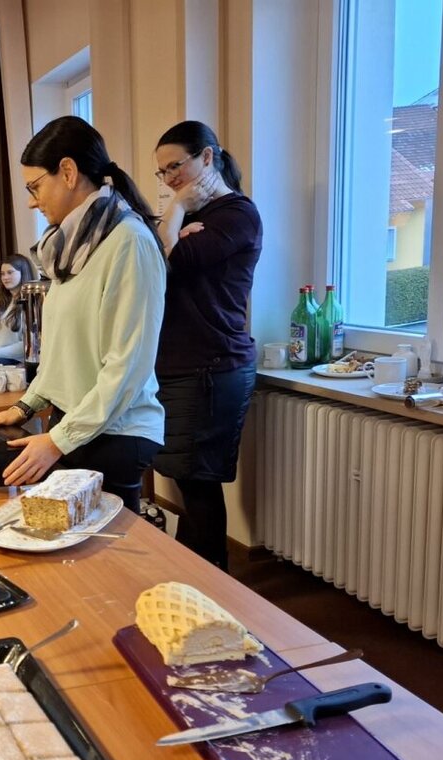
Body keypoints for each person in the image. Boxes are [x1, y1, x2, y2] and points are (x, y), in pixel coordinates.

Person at [0, 116, 166, 513]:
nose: (32, 200)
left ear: (67, 172)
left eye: (35, 187)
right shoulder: (71, 247)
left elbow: (127, 366)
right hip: (78, 424)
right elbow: (64, 351)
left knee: (101, 561)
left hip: (115, 430)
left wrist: (59, 440)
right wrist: (26, 405)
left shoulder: (128, 242)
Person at [152, 120, 263, 570]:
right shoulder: (197, 219)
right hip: (183, 364)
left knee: (197, 480)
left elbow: (165, 264)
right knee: (182, 474)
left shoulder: (237, 214)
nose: (169, 177)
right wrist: (177, 224)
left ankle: (213, 584)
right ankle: (198, 576)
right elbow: (159, 258)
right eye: (162, 173)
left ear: (208, 157)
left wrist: (176, 210)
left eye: (175, 166)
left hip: (213, 365)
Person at [0, 253, 37, 365]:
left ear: (22, 273)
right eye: (2, 274)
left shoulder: (31, 301)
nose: (5, 278)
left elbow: (28, 343)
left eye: (10, 272)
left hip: (12, 358)